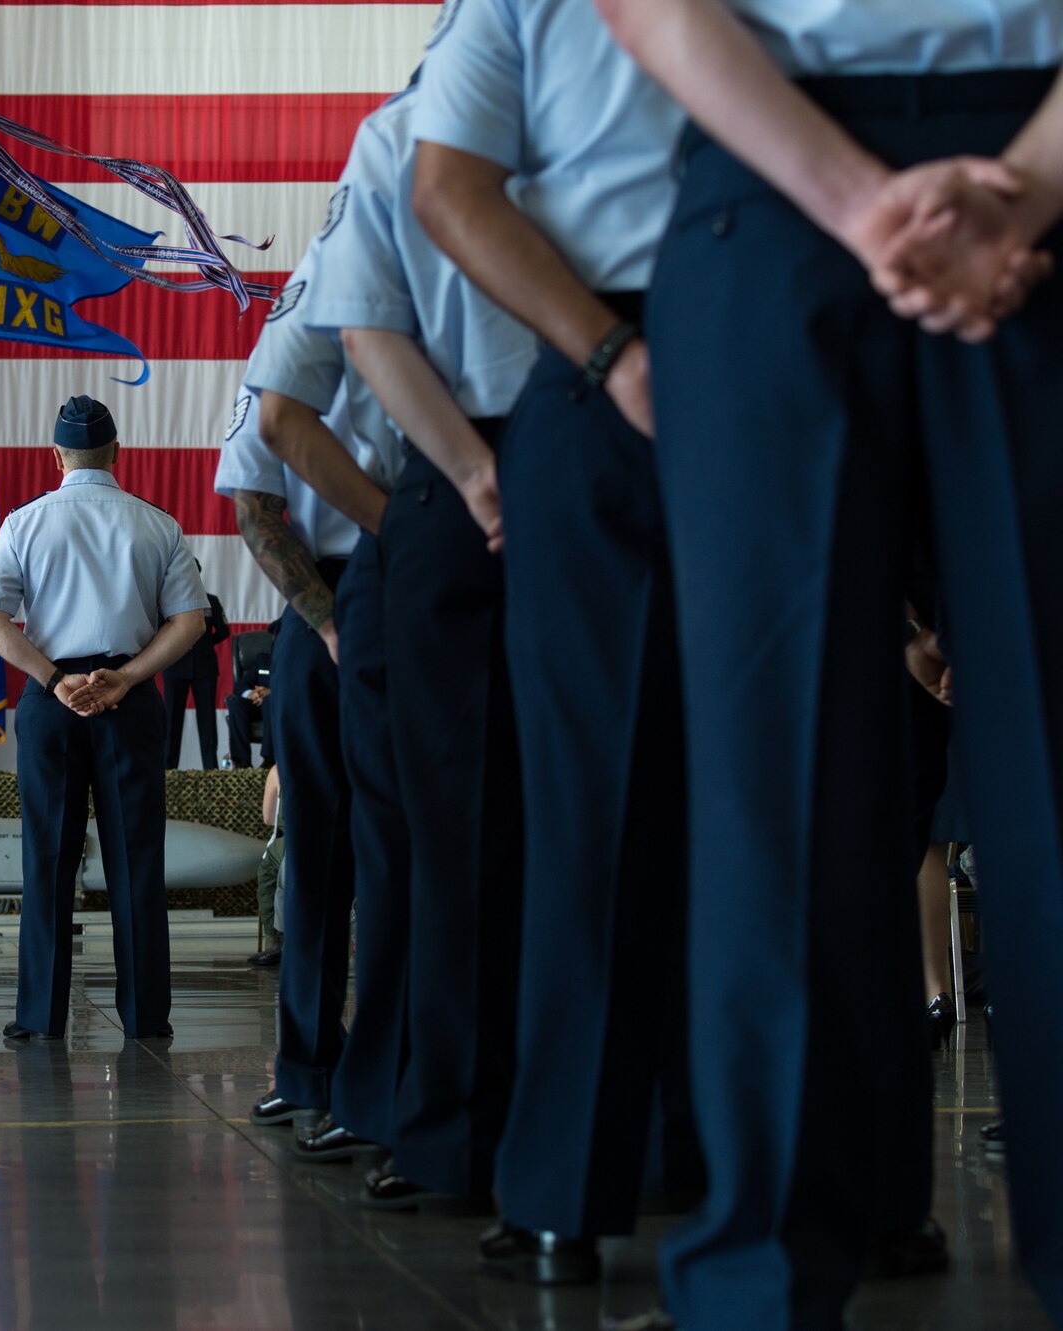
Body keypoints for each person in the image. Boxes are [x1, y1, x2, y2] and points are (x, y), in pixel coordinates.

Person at [594, 3, 1063, 1325]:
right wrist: (1006, 199)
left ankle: (759, 1284)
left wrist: (881, 208)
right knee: (782, 776)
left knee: (773, 776)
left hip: (793, 187)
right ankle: (762, 1272)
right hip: (866, 167)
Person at [411, 0, 711, 1276]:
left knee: (597, 804)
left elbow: (448, 188)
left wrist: (602, 357)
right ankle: (830, 1175)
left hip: (610, 357)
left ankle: (565, 1189)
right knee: (807, 781)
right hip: (733, 339)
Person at [288, 79, 539, 1215]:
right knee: (464, 843)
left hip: (459, 475)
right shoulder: (404, 136)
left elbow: (359, 336)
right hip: (491, 466)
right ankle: (504, 1124)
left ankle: (467, 1128)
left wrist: (451, 484)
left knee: (460, 848)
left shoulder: (398, 134)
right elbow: (309, 391)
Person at [217, 212, 410, 1141]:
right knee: (316, 852)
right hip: (323, 601)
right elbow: (256, 501)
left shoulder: (434, 316)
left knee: (403, 851)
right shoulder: (290, 331)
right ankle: (308, 1069)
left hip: (422, 583)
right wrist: (330, 622)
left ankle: (384, 1077)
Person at [0, 395, 208, 1042]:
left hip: (54, 700)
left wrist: (54, 679)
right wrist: (127, 678)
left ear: (56, 456)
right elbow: (190, 620)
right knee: (137, 861)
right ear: (117, 453)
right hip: (127, 700)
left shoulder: (24, 522)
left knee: (48, 858)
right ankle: (146, 1016)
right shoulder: (157, 524)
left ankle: (40, 1015)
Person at [160, 566, 229, 769]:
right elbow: (158, 632)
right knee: (172, 721)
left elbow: (223, 631)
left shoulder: (210, 601)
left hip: (204, 668)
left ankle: (210, 769)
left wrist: (205, 645)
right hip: (174, 666)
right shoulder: (166, 602)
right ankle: (169, 771)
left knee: (207, 721)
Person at [223, 618, 278, 769]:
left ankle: (269, 760)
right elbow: (240, 685)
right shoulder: (262, 660)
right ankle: (242, 762)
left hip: (277, 708)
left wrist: (271, 692)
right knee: (235, 703)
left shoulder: (293, 662)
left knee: (270, 700)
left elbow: (295, 688)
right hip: (256, 705)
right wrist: (251, 694)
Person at [250, 763, 284, 966]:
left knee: (268, 873)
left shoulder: (277, 771)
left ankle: (276, 940)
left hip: (290, 840)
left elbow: (268, 818)